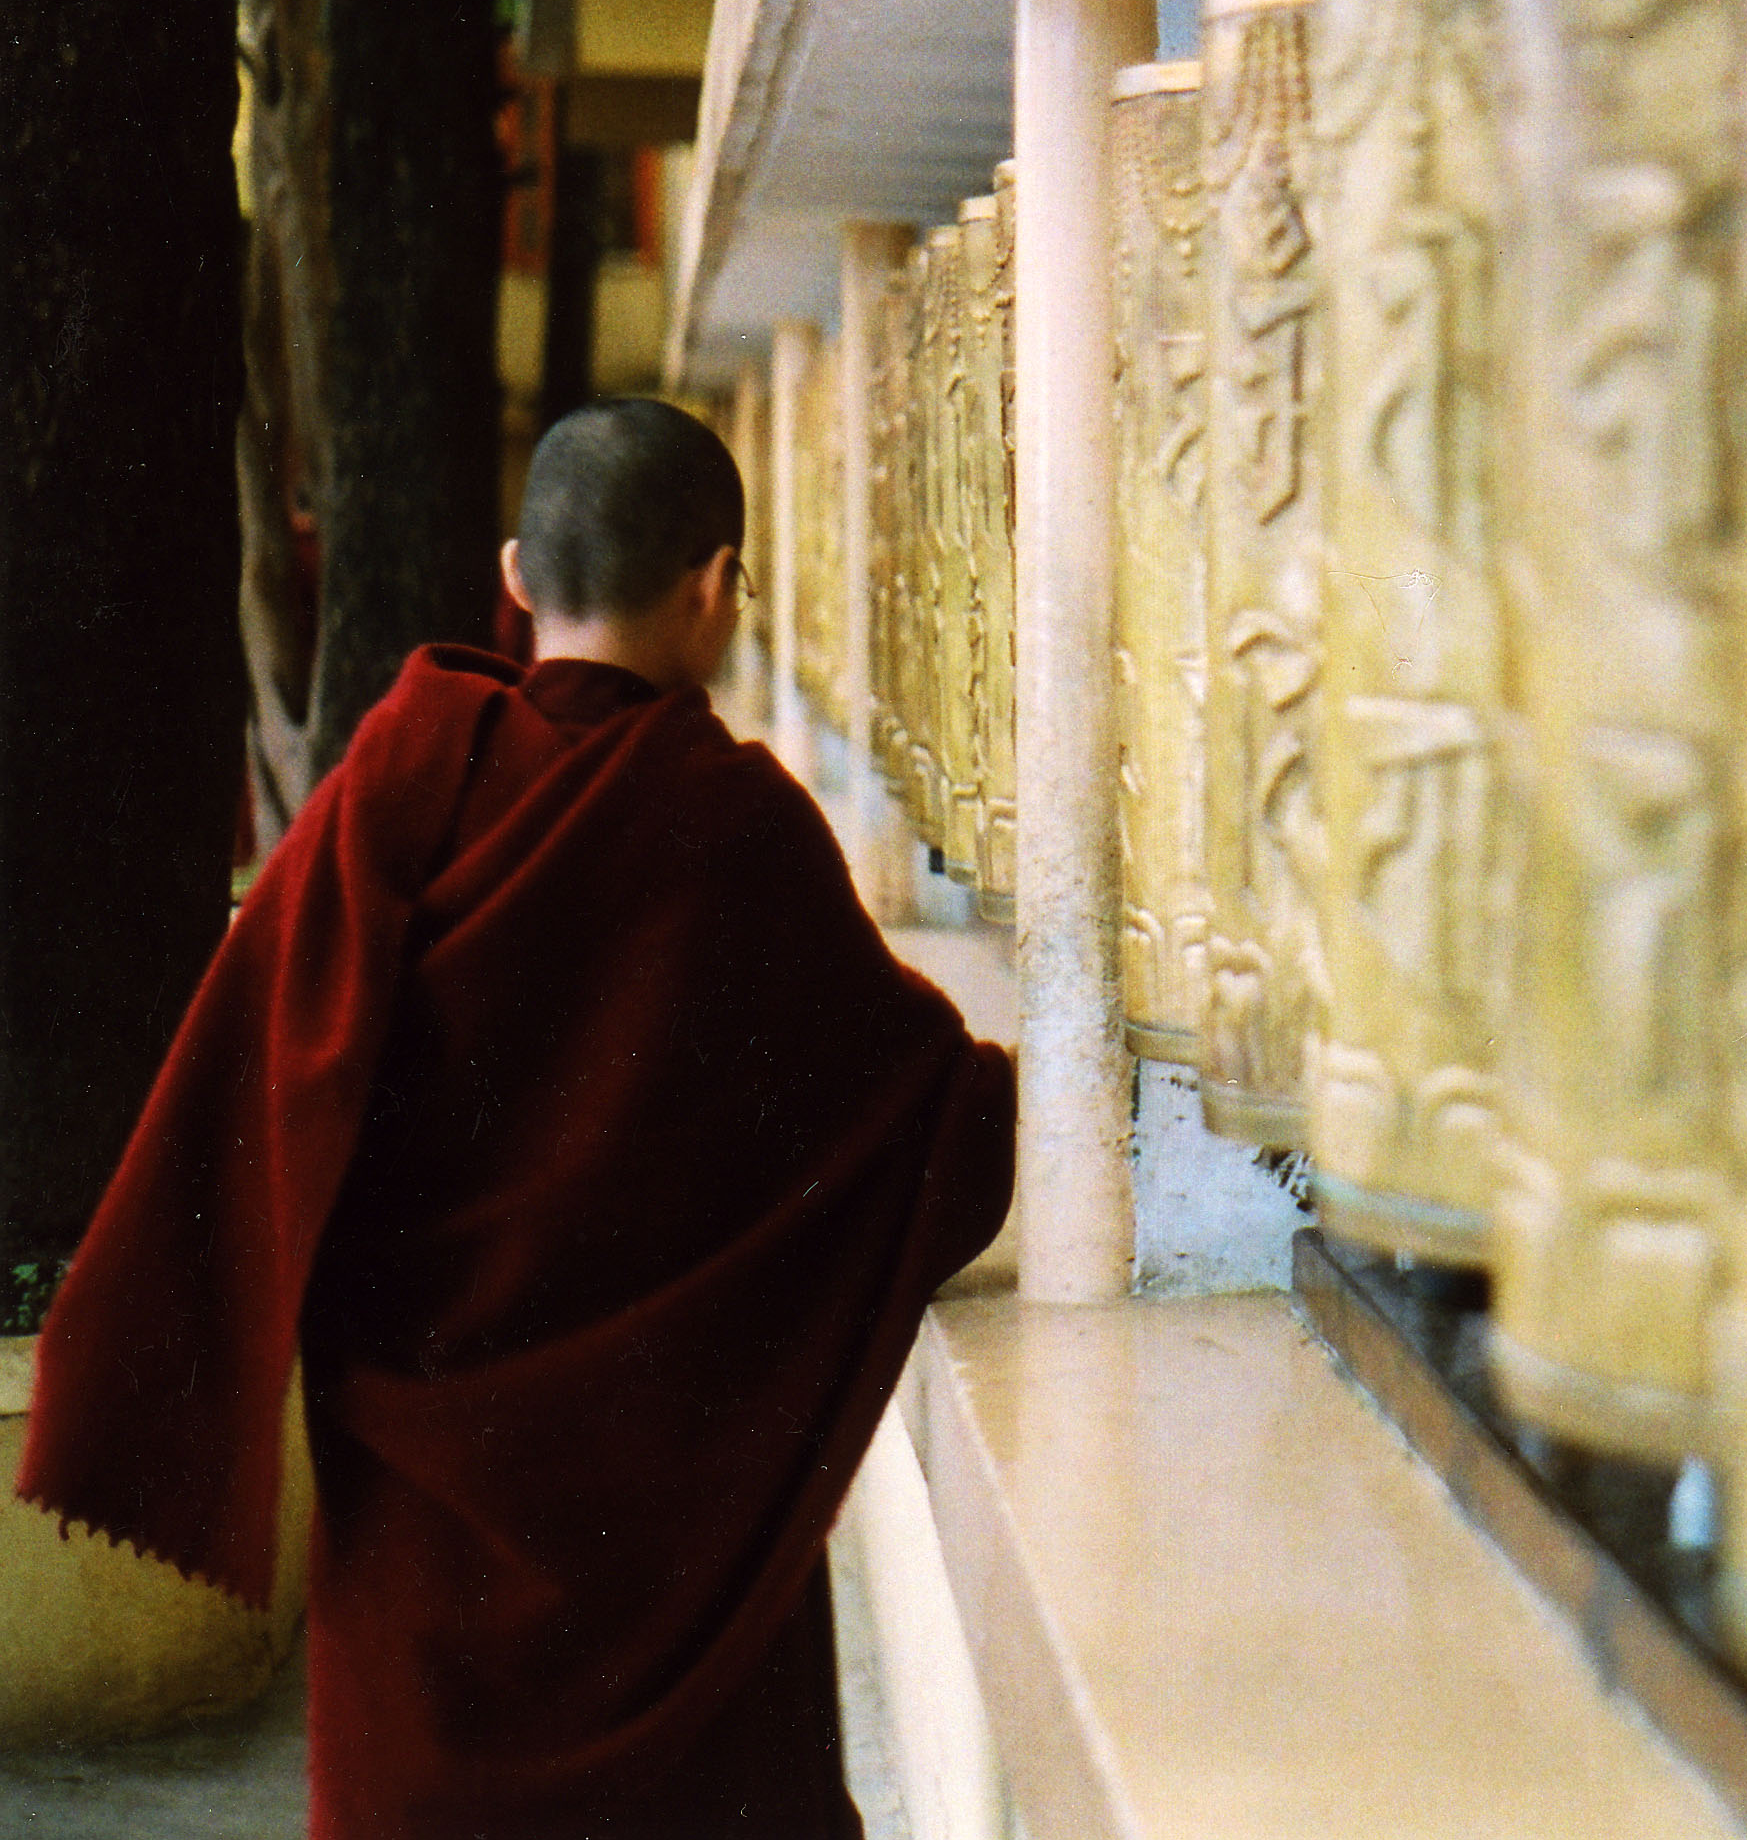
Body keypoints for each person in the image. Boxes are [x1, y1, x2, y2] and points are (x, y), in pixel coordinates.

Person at [17, 397, 1014, 1840]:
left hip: (423, 1571)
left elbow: (247, 1096)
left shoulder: (390, 793)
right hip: (674, 1568)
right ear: (717, 586)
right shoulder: (736, 832)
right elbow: (936, 1137)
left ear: (514, 574)